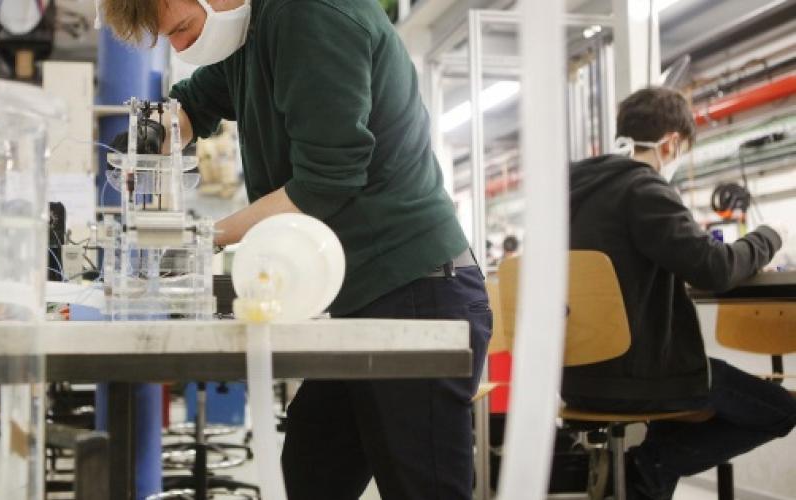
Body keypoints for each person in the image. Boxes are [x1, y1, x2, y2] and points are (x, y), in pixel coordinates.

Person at [98, 0, 491, 498]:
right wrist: (151, 135)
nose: (180, 47)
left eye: (183, 28)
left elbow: (326, 182)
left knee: (422, 489)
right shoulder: (251, 32)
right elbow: (196, 102)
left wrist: (203, 238)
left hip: (416, 293)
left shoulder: (309, 15)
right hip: (359, 301)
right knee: (309, 479)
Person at [565, 86, 796, 499]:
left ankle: (644, 474)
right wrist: (770, 236)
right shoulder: (643, 189)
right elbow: (715, 268)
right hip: (641, 377)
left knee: (676, 419)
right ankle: (646, 467)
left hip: (578, 378)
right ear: (671, 144)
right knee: (781, 410)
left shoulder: (569, 194)